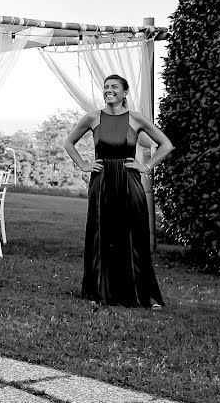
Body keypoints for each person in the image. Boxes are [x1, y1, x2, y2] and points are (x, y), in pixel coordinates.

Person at [64, 74, 174, 309]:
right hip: (101, 182)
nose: (108, 90)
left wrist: (145, 166)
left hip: (129, 181)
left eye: (114, 87)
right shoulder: (93, 117)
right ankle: (101, 291)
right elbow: (68, 143)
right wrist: (84, 165)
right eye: (105, 87)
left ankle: (140, 293)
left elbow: (166, 145)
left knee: (133, 235)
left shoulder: (136, 118)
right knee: (102, 234)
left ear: (125, 93)